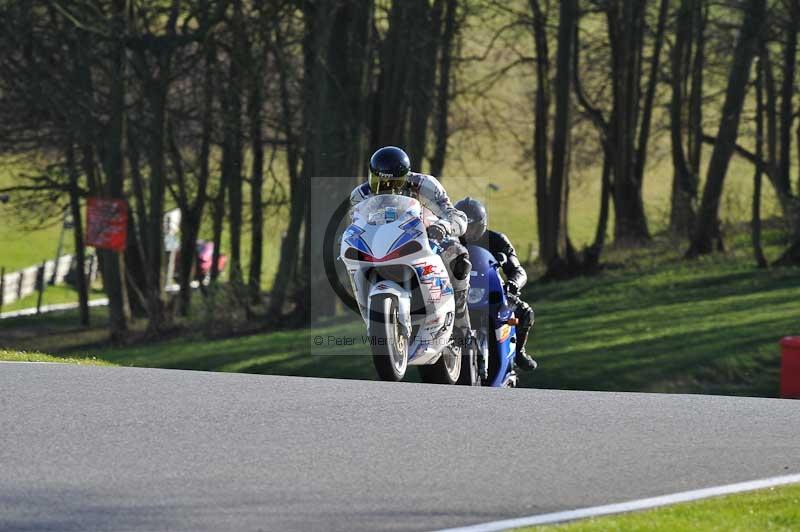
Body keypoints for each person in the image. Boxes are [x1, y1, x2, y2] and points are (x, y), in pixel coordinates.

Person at [350, 146, 472, 340]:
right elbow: (357, 223)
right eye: (379, 181)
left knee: (458, 257)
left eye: (394, 182)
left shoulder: (425, 185)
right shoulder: (360, 195)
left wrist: (443, 226)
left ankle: (460, 323)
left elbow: (454, 214)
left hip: (426, 237)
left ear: (406, 177)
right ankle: (375, 318)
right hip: (383, 245)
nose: (386, 187)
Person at [454, 197, 537, 371]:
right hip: (456, 291)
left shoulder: (497, 240)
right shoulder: (449, 240)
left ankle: (518, 352)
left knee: (525, 313)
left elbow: (518, 270)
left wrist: (513, 284)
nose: (468, 232)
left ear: (481, 225)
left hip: (491, 290)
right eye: (465, 226)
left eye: (472, 227)